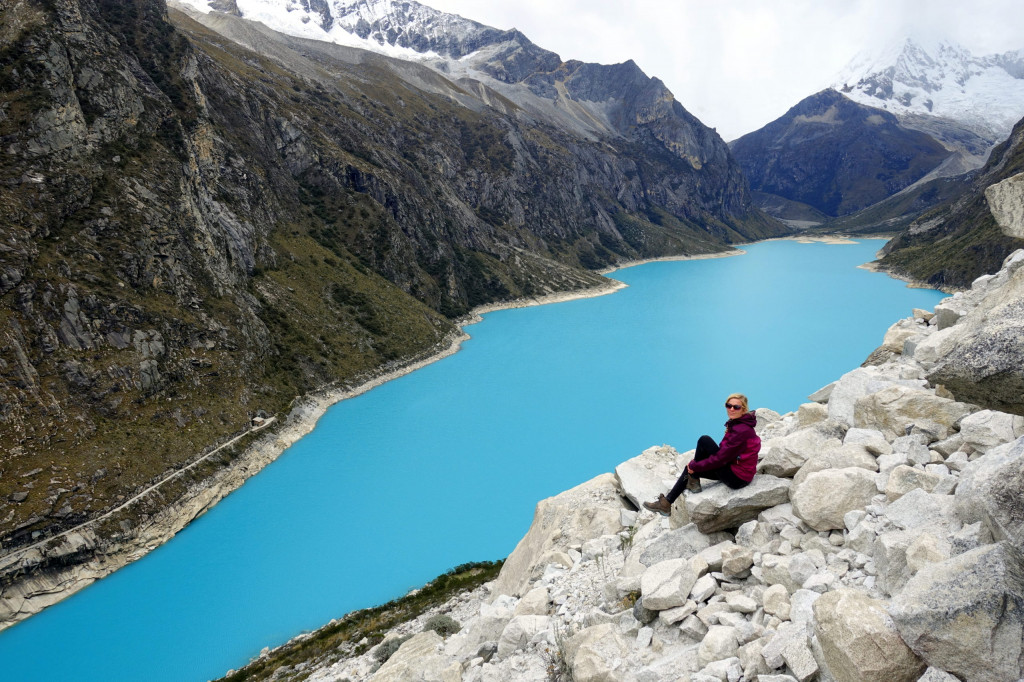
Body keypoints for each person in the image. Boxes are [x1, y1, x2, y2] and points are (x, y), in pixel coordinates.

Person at [644, 393, 761, 515]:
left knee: (703, 443)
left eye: (736, 407)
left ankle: (686, 485)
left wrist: (696, 466)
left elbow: (721, 459)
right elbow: (724, 452)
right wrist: (696, 465)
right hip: (733, 470)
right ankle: (675, 495)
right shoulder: (736, 424)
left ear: (743, 409)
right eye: (728, 405)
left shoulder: (741, 430)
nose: (731, 409)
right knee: (692, 465)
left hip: (737, 478)